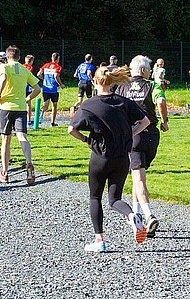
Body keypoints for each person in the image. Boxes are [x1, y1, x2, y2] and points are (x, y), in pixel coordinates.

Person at [68, 66, 151, 252]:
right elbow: (145, 121)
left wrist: (86, 140)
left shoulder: (89, 104)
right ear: (112, 81)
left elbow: (71, 129)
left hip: (100, 157)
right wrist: (130, 133)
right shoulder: (123, 102)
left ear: (94, 81)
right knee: (115, 199)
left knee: (95, 197)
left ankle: (99, 241)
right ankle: (132, 217)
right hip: (122, 157)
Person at [115, 55, 169, 238]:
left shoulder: (122, 86)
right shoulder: (152, 86)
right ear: (145, 71)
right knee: (138, 175)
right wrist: (164, 121)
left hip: (133, 135)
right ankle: (137, 216)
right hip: (152, 136)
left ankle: (148, 215)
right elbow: (160, 101)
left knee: (139, 179)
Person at [0, 45, 41, 184]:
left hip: (6, 107)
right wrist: (28, 99)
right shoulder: (24, 69)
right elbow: (37, 88)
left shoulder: (4, 67)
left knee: (6, 139)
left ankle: (5, 171)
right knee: (22, 136)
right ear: (19, 57)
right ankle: (29, 163)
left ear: (7, 57)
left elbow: (2, 79)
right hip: (21, 107)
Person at [37, 52, 64, 127]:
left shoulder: (46, 65)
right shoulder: (58, 67)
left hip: (46, 88)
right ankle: (52, 122)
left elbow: (38, 74)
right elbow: (56, 76)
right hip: (54, 89)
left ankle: (41, 113)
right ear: (58, 59)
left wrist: (44, 79)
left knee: (45, 105)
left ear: (51, 58)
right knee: (54, 105)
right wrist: (61, 84)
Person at [23, 55, 36, 127]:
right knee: (28, 104)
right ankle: (29, 120)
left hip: (21, 87)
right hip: (27, 87)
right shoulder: (30, 67)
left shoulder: (21, 66)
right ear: (31, 61)